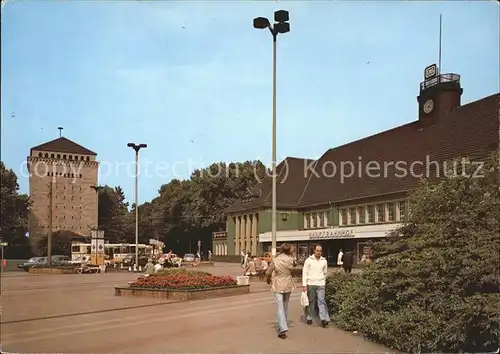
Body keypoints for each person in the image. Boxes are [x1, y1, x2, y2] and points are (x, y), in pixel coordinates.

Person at [265, 243, 296, 339]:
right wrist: (291, 254)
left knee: (280, 306)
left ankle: (282, 328)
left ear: (281, 250)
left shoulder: (276, 260)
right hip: (288, 283)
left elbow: (268, 272)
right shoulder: (291, 259)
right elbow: (294, 265)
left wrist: (268, 279)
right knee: (285, 306)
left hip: (278, 283)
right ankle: (283, 325)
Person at [302, 245, 330, 328]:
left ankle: (323, 319)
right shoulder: (308, 260)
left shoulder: (324, 261)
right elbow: (304, 272)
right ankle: (309, 317)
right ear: (314, 251)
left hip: (321, 283)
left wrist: (323, 281)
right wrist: (304, 285)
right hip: (310, 283)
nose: (318, 252)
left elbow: (325, 273)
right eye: (317, 250)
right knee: (311, 301)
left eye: (320, 251)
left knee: (321, 301)